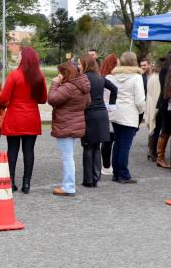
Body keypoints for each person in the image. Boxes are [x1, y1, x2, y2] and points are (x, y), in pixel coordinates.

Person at [0, 46, 47, 193]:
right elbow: (43, 99)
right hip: (31, 117)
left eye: (19, 55)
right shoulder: (39, 77)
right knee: (29, 151)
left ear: (24, 58)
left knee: (12, 150)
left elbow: (3, 99)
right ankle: (27, 183)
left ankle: (11, 182)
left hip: (15, 117)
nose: (18, 57)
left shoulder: (14, 75)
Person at [47, 61, 91, 196]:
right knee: (69, 156)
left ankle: (69, 187)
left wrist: (54, 83)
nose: (58, 74)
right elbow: (88, 102)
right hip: (76, 123)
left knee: (67, 157)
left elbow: (52, 99)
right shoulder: (82, 83)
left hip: (65, 124)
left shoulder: (69, 86)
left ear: (65, 72)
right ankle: (68, 185)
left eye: (60, 72)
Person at [106, 52, 146, 184]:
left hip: (116, 113)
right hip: (129, 114)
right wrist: (141, 111)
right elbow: (140, 100)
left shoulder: (113, 76)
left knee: (117, 143)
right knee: (125, 146)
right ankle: (123, 174)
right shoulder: (136, 77)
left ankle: (116, 173)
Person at [79, 54, 116, 188]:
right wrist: (112, 105)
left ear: (85, 64)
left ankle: (88, 180)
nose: (78, 66)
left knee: (88, 147)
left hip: (89, 114)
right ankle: (96, 177)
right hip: (102, 114)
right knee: (96, 147)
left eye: (80, 64)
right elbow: (114, 89)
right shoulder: (101, 77)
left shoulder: (83, 78)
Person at [154, 49, 171, 168]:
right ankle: (160, 157)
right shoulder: (166, 70)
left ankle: (163, 157)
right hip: (166, 104)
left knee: (170, 130)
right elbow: (166, 87)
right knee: (165, 130)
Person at [98, 54, 119, 176]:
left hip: (104, 109)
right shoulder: (111, 78)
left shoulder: (103, 77)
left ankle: (106, 165)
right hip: (111, 109)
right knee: (109, 140)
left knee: (107, 140)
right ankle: (106, 166)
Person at [143, 56, 162, 161]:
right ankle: (153, 152)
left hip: (151, 105)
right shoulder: (158, 77)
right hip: (156, 106)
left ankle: (151, 151)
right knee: (156, 129)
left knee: (154, 129)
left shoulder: (152, 76)